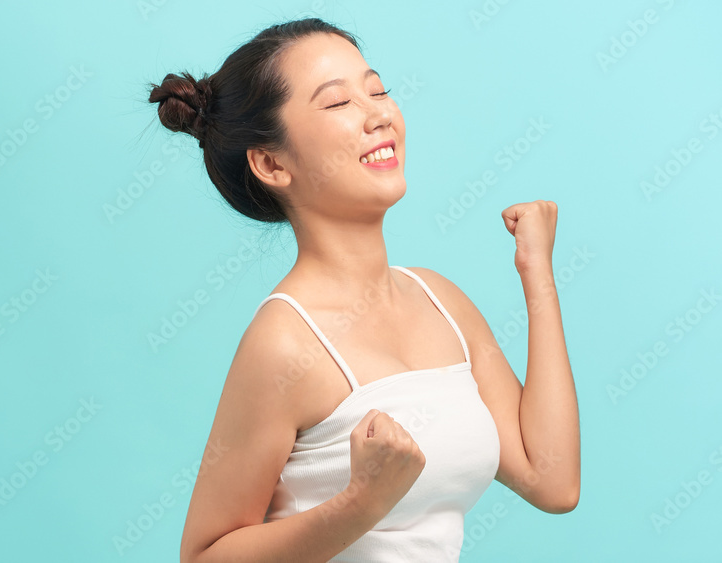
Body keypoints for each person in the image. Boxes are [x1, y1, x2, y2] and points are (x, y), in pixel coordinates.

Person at [147, 17, 580, 563]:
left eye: (377, 90)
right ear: (271, 163)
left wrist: (536, 270)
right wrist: (359, 504)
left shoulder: (442, 302)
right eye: (337, 104)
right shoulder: (284, 342)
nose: (380, 114)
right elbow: (203, 556)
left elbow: (553, 480)